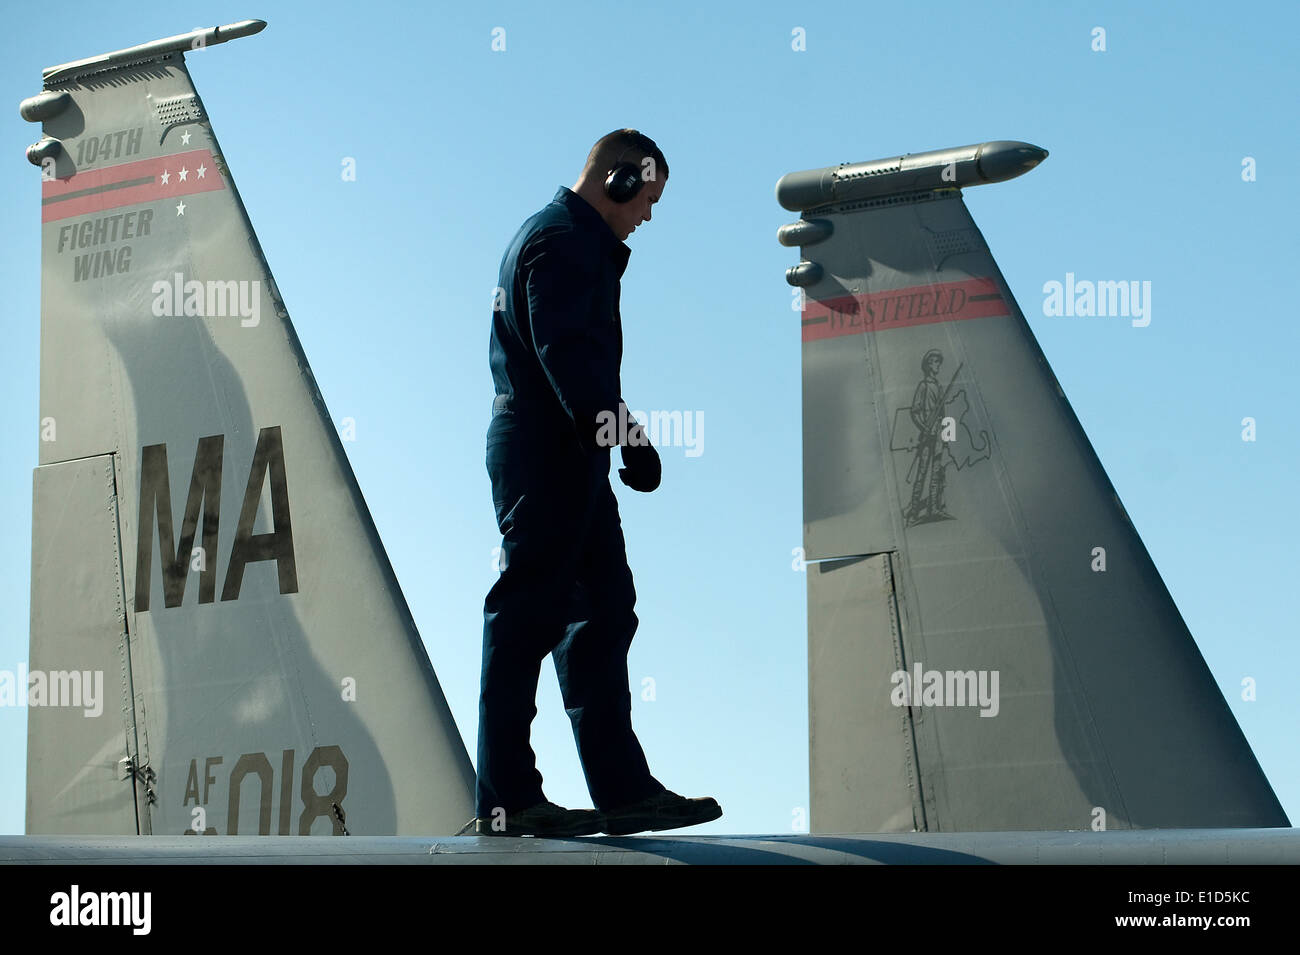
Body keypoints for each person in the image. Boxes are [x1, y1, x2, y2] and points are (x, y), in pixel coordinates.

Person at [474, 129, 721, 837]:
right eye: (646, 197)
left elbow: (578, 368)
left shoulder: (571, 243)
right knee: (528, 615)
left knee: (603, 609)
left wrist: (615, 434)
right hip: (545, 450)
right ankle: (508, 798)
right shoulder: (559, 242)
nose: (648, 214)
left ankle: (623, 791)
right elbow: (570, 364)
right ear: (617, 180)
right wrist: (629, 436)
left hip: (570, 452)